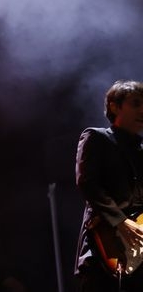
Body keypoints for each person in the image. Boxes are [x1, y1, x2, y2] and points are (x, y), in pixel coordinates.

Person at [75, 80, 143, 291]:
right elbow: (88, 183)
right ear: (114, 106)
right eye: (136, 103)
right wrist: (120, 221)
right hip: (105, 247)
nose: (142, 110)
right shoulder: (97, 137)